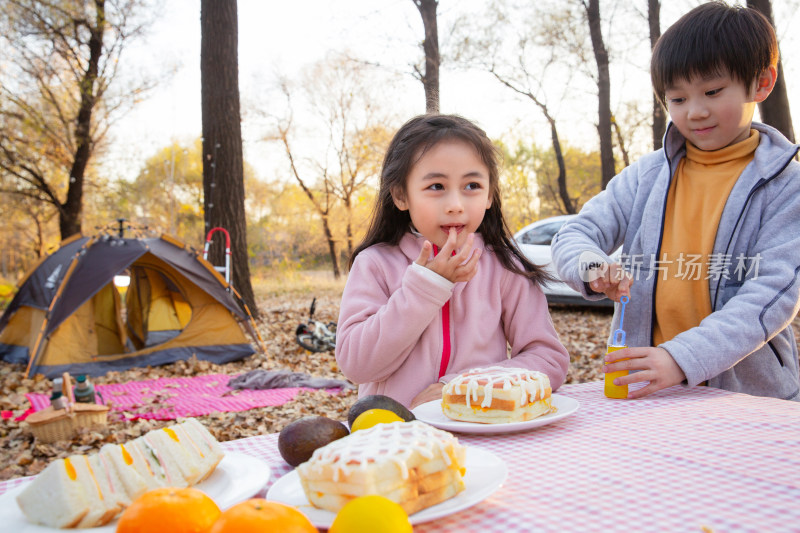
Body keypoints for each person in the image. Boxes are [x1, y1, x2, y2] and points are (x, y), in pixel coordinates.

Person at [551, 2, 800, 401]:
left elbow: (770, 295)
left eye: (712, 92)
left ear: (762, 82)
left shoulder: (787, 187)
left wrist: (680, 357)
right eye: (678, 99)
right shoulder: (645, 176)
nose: (695, 112)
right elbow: (575, 233)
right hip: (648, 389)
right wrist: (593, 266)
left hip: (748, 400)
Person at [336, 114, 569, 408]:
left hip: (485, 431)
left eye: (472, 185)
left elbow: (549, 359)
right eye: (436, 187)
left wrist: (463, 387)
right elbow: (357, 365)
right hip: (398, 438)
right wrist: (426, 287)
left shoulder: (505, 267)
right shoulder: (375, 264)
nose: (456, 205)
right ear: (400, 194)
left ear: (490, 195)